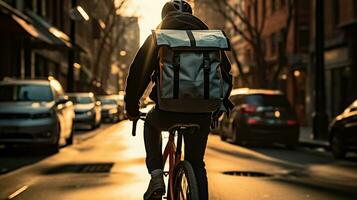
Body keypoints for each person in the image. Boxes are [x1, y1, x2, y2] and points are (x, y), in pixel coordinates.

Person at [125, 1, 233, 199]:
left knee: (150, 123)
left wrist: (132, 107)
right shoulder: (209, 38)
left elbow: (138, 73)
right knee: (197, 163)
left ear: (164, 18)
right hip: (202, 114)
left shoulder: (159, 37)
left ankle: (157, 176)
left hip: (166, 112)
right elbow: (225, 75)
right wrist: (218, 108)